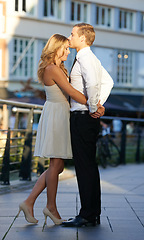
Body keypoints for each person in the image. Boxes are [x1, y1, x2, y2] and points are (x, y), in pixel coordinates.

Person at [16, 34, 103, 226]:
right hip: (56, 116)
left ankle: (29, 202)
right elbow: (71, 92)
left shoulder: (58, 68)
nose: (68, 50)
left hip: (60, 114)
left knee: (58, 165)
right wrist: (94, 106)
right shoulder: (52, 68)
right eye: (65, 47)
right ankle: (50, 207)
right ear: (56, 48)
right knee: (56, 165)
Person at [62, 23, 114, 227]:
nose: (70, 37)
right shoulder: (90, 58)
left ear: (83, 38)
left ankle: (87, 214)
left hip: (83, 117)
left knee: (84, 167)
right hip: (86, 117)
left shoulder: (85, 58)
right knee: (89, 167)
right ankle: (92, 213)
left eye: (73, 34)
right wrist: (98, 104)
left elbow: (94, 83)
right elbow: (108, 82)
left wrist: (94, 106)